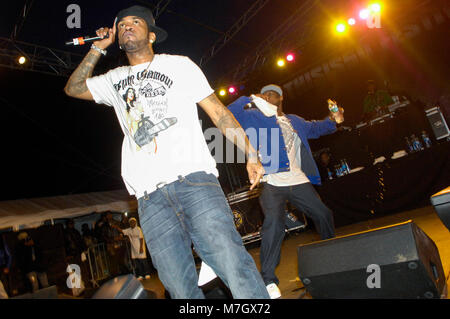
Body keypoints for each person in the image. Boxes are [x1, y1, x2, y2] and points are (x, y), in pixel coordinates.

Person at [64, 5, 269, 299]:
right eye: (121, 25)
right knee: (177, 285)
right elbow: (73, 88)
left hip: (194, 181)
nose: (127, 27)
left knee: (232, 263)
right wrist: (98, 48)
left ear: (151, 35)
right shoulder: (113, 79)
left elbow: (218, 112)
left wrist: (250, 152)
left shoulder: (179, 65)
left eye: (135, 22)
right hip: (149, 198)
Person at [228, 84, 343, 298]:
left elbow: (319, 127)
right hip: (271, 181)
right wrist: (249, 98)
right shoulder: (252, 116)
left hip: (297, 179)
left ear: (281, 98)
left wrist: (334, 116)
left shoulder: (294, 120)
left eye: (271, 94)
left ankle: (331, 259)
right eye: (264, 94)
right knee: (274, 225)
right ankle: (269, 281)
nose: (267, 96)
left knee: (323, 213)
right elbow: (228, 113)